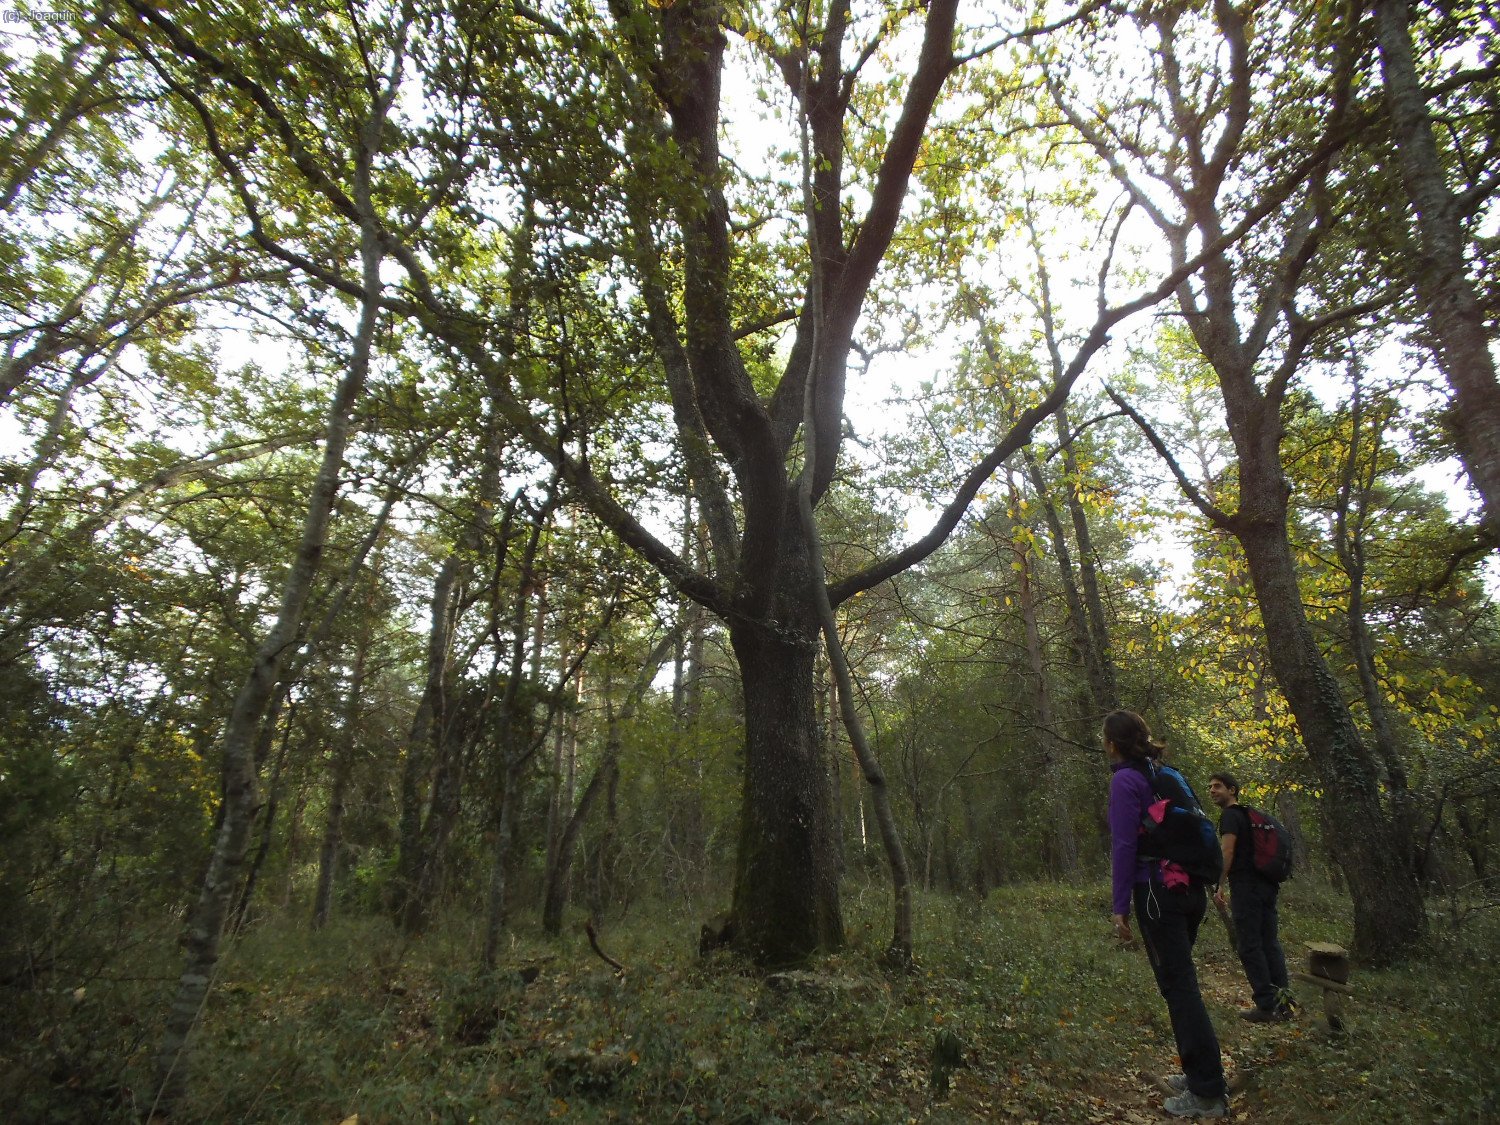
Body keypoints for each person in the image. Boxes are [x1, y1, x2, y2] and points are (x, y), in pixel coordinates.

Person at [1106, 709, 1228, 1119]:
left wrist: (1120, 907)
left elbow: (1124, 846)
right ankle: (1199, 1074)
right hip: (1189, 890)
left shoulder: (1125, 780)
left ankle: (1207, 1091)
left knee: (1179, 988)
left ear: (1111, 743)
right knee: (1180, 983)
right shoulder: (1162, 772)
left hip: (1157, 892)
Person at [1208, 772, 1294, 1022]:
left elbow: (1228, 851)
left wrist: (1218, 884)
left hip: (1247, 887)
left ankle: (1267, 1006)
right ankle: (1284, 1004)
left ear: (1232, 790)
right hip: (1267, 885)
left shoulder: (1231, 816)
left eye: (1218, 786)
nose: (1212, 790)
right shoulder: (1248, 815)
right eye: (1210, 787)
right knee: (1270, 942)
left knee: (1249, 945)